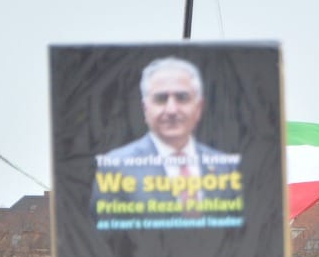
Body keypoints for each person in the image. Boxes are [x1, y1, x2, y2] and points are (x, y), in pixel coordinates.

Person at [91, 56, 243, 227]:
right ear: (145, 109)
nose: (171, 110)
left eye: (182, 97)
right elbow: (106, 240)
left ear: (199, 108)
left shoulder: (226, 166)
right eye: (161, 99)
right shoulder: (115, 167)